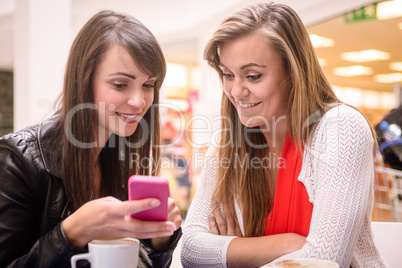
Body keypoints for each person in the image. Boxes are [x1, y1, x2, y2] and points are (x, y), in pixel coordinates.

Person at [181, 2, 388, 267]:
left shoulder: (340, 127)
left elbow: (322, 261)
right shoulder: (228, 142)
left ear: (292, 71)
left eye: (253, 76)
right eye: (228, 74)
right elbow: (192, 250)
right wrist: (289, 243)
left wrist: (234, 252)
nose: (235, 90)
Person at [0, 10, 182, 268]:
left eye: (148, 85)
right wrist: (69, 233)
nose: (139, 101)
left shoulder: (119, 154)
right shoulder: (18, 159)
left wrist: (159, 241)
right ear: (84, 81)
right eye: (120, 85)